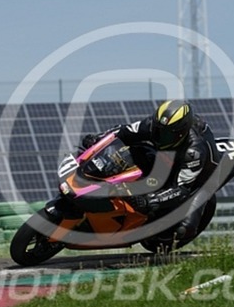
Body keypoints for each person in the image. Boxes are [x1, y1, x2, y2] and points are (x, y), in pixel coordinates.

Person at [80, 99, 222, 241]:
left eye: (167, 134)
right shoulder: (153, 124)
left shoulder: (194, 152)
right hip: (168, 157)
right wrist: (98, 139)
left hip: (199, 178)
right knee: (137, 151)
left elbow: (182, 189)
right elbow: (123, 131)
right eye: (158, 130)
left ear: (181, 133)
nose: (161, 136)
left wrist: (149, 200)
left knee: (184, 228)